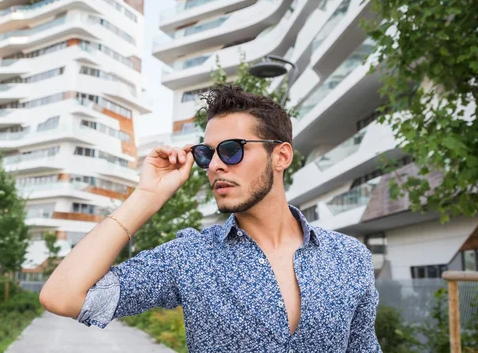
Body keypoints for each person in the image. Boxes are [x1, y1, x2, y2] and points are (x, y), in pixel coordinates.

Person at [40, 84, 381, 352]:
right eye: (207, 154)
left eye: (232, 149)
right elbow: (63, 295)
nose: (216, 165)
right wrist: (147, 197)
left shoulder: (350, 258)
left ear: (280, 155)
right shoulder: (191, 257)